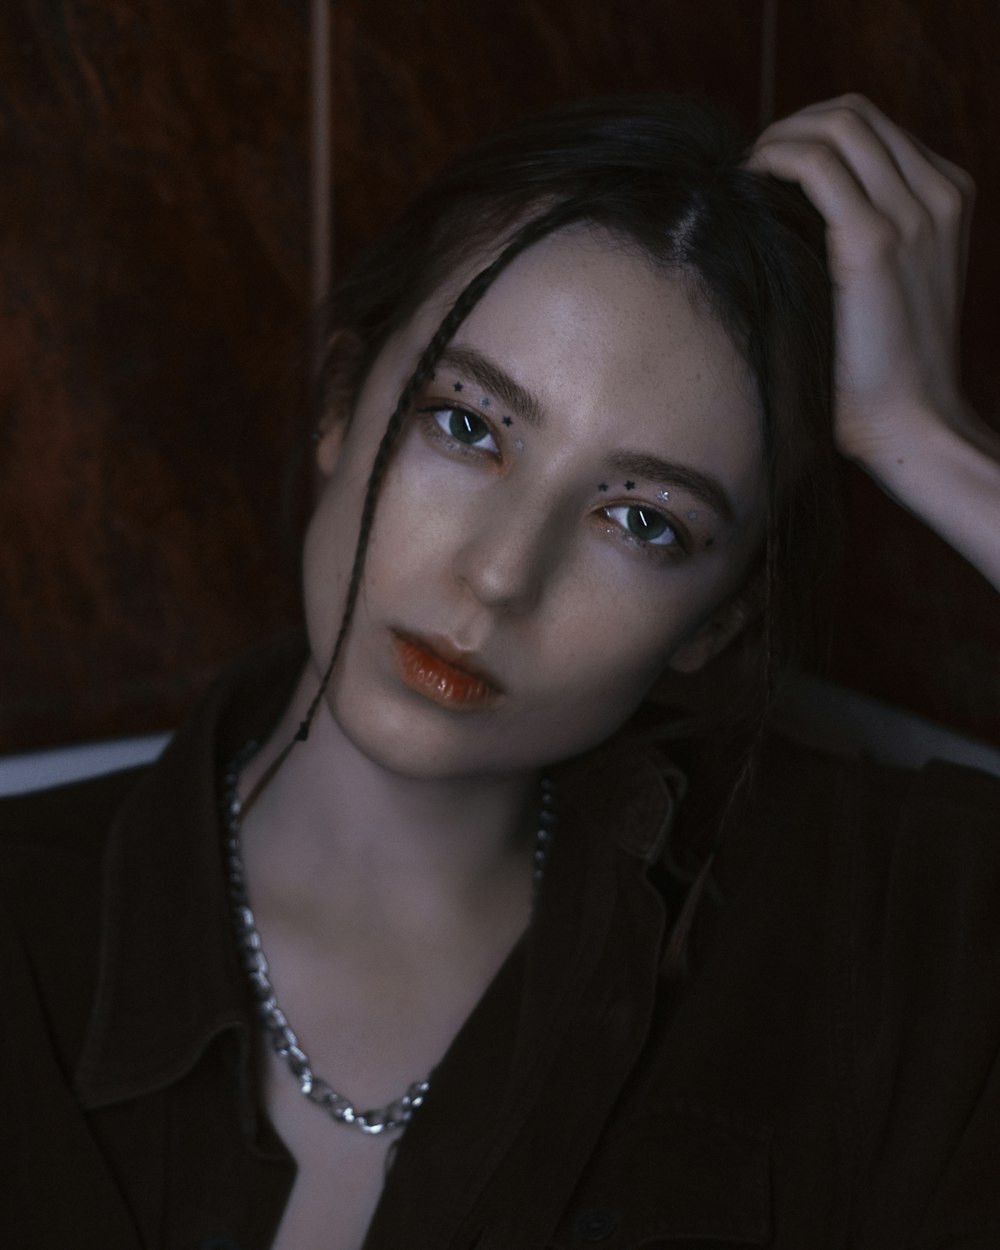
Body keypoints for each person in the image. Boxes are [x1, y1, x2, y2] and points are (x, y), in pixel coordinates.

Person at [2, 92, 999, 1250]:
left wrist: (933, 443)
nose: (498, 577)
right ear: (339, 404)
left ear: (717, 621)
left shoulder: (862, 939)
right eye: (468, 427)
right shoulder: (27, 927)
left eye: (642, 519)